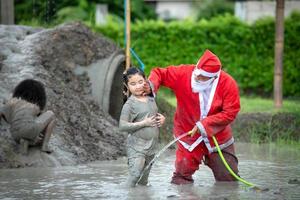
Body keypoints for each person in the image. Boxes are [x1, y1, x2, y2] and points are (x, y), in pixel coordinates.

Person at [145, 49, 240, 184]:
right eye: (197, 73)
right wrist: (151, 85)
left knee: (229, 180)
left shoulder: (228, 84)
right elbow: (160, 73)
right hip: (188, 134)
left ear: (213, 78)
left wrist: (204, 125)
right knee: (181, 177)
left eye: (202, 77)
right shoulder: (184, 74)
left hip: (218, 138)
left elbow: (231, 112)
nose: (196, 78)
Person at [119, 67, 165, 187]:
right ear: (127, 86)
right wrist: (143, 123)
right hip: (137, 147)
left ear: (145, 80)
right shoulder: (130, 104)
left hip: (152, 146)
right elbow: (122, 126)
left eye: (140, 82)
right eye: (133, 84)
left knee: (144, 181)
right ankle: (125, 194)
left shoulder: (151, 99)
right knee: (135, 176)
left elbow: (154, 115)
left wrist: (162, 119)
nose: (138, 86)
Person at [0, 79, 55, 154]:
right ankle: (44, 146)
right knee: (50, 114)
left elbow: (3, 113)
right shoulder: (35, 106)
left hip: (14, 134)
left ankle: (27, 142)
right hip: (29, 128)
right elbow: (41, 122)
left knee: (27, 134)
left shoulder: (11, 102)